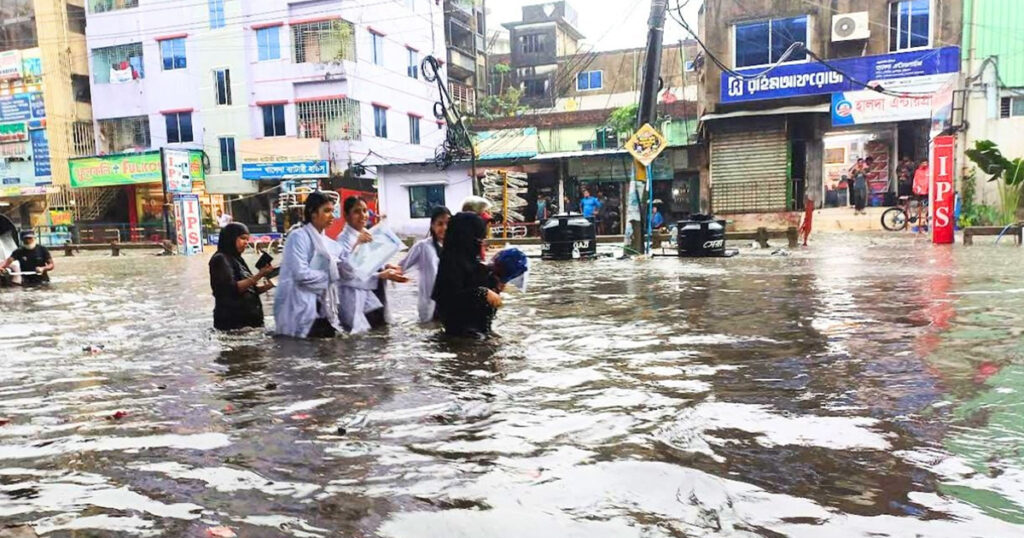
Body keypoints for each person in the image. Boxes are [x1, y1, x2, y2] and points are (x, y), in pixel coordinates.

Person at [274, 192, 344, 338]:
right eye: (326, 211)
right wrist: (330, 276)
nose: (332, 216)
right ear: (313, 213)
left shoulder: (328, 243)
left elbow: (344, 268)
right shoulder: (298, 237)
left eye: (332, 211)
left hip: (321, 305)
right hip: (299, 305)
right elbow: (301, 274)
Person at [335, 197, 408, 334]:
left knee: (380, 335)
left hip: (375, 291)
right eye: (357, 211)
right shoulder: (342, 240)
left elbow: (371, 260)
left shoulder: (368, 234)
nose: (363, 215)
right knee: (364, 337)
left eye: (365, 210)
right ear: (346, 215)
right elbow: (345, 272)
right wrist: (357, 244)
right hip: (357, 296)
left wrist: (385, 266)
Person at [432, 212, 503, 337]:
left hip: (479, 331)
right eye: (478, 239)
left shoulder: (474, 263)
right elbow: (449, 299)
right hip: (461, 336)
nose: (481, 243)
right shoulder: (449, 262)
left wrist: (497, 283)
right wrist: (483, 293)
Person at [209, 223, 274, 331]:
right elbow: (231, 289)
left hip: (249, 323)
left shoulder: (238, 259)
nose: (246, 243)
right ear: (230, 238)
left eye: (247, 239)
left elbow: (251, 290)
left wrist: (270, 284)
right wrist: (259, 275)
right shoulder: (220, 259)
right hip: (233, 323)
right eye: (242, 238)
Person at [400, 206, 451, 323]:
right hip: (430, 304)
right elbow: (402, 266)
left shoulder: (454, 248)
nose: (444, 228)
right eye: (440, 224)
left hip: (449, 303)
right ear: (433, 226)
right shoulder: (422, 246)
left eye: (447, 223)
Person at [912, 159, 930, 232]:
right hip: (920, 191)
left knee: (928, 207)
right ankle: (921, 222)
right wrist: (915, 188)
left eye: (926, 163)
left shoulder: (929, 170)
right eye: (923, 163)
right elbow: (915, 180)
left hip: (928, 191)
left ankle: (925, 221)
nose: (924, 164)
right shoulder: (918, 171)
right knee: (921, 207)